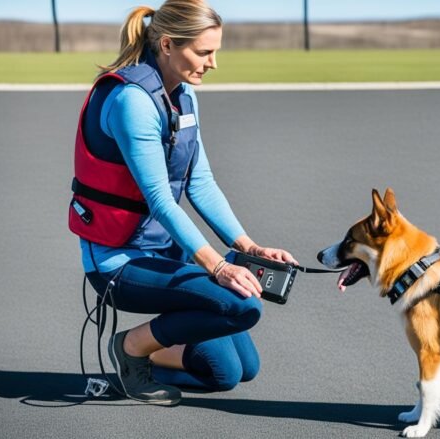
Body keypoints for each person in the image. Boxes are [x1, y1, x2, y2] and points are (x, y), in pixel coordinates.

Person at [68, 0, 297, 406]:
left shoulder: (183, 94)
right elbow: (159, 200)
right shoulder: (132, 102)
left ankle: (139, 361)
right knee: (242, 306)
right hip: (119, 263)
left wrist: (249, 248)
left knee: (231, 372)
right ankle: (131, 347)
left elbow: (201, 182)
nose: (213, 63)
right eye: (204, 52)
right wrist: (220, 266)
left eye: (216, 52)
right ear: (169, 45)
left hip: (164, 253)